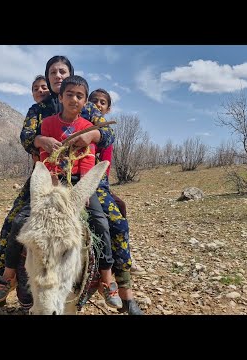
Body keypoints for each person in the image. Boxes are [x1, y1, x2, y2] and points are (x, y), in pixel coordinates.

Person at [0, 55, 142, 315]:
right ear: (48, 77)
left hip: (86, 179)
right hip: (47, 177)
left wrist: (93, 133)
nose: (57, 76)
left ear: (70, 75)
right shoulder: (39, 111)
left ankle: (120, 287)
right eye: (53, 72)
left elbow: (108, 134)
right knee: (14, 221)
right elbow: (26, 137)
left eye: (62, 71)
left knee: (114, 222)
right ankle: (6, 277)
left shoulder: (87, 108)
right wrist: (40, 141)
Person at [38, 75, 121, 307]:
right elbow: (47, 156)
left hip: (79, 181)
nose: (74, 99)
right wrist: (52, 178)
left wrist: (84, 190)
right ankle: (11, 276)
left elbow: (87, 159)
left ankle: (106, 277)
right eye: (69, 94)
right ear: (61, 97)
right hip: (54, 180)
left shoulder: (87, 127)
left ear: (85, 101)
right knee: (26, 221)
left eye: (79, 96)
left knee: (101, 222)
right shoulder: (48, 124)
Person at [88, 89, 144, 314]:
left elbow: (106, 168)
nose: (98, 105)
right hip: (68, 181)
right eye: (94, 101)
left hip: (97, 184)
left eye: (103, 102)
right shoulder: (79, 123)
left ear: (108, 109)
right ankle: (4, 277)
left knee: (119, 223)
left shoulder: (106, 134)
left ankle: (124, 290)